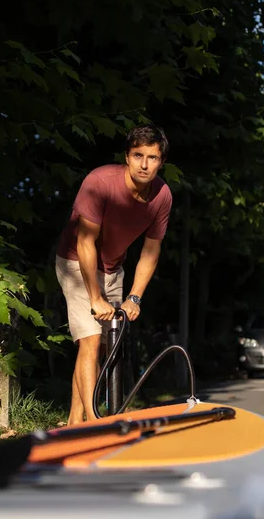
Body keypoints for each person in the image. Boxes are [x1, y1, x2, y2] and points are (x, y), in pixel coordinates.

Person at [55, 125, 173, 424]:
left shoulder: (162, 196)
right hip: (75, 262)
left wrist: (135, 297)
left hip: (112, 268)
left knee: (104, 346)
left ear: (161, 162)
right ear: (126, 156)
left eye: (153, 158)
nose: (144, 165)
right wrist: (95, 297)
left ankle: (74, 422)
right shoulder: (100, 182)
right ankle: (96, 424)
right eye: (138, 156)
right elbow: (84, 242)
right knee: (91, 341)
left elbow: (151, 250)